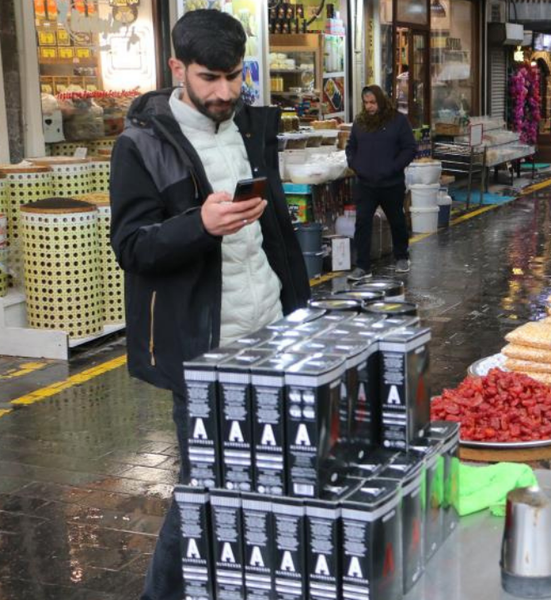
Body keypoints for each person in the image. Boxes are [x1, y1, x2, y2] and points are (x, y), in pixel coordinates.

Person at [109, 10, 310, 600]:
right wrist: (199, 224)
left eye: (233, 76)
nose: (224, 92)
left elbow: (270, 231)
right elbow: (133, 247)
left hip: (272, 329)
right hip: (204, 348)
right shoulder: (141, 145)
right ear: (177, 69)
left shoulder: (249, 125)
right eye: (209, 78)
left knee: (271, 474)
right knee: (203, 486)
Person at [346, 85, 417, 280]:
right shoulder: (360, 123)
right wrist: (355, 164)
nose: (369, 107)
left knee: (396, 220)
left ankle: (402, 256)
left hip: (391, 183)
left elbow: (410, 148)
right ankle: (363, 266)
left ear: (381, 101)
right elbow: (351, 146)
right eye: (366, 103)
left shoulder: (398, 121)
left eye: (372, 102)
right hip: (365, 184)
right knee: (362, 223)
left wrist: (393, 167)